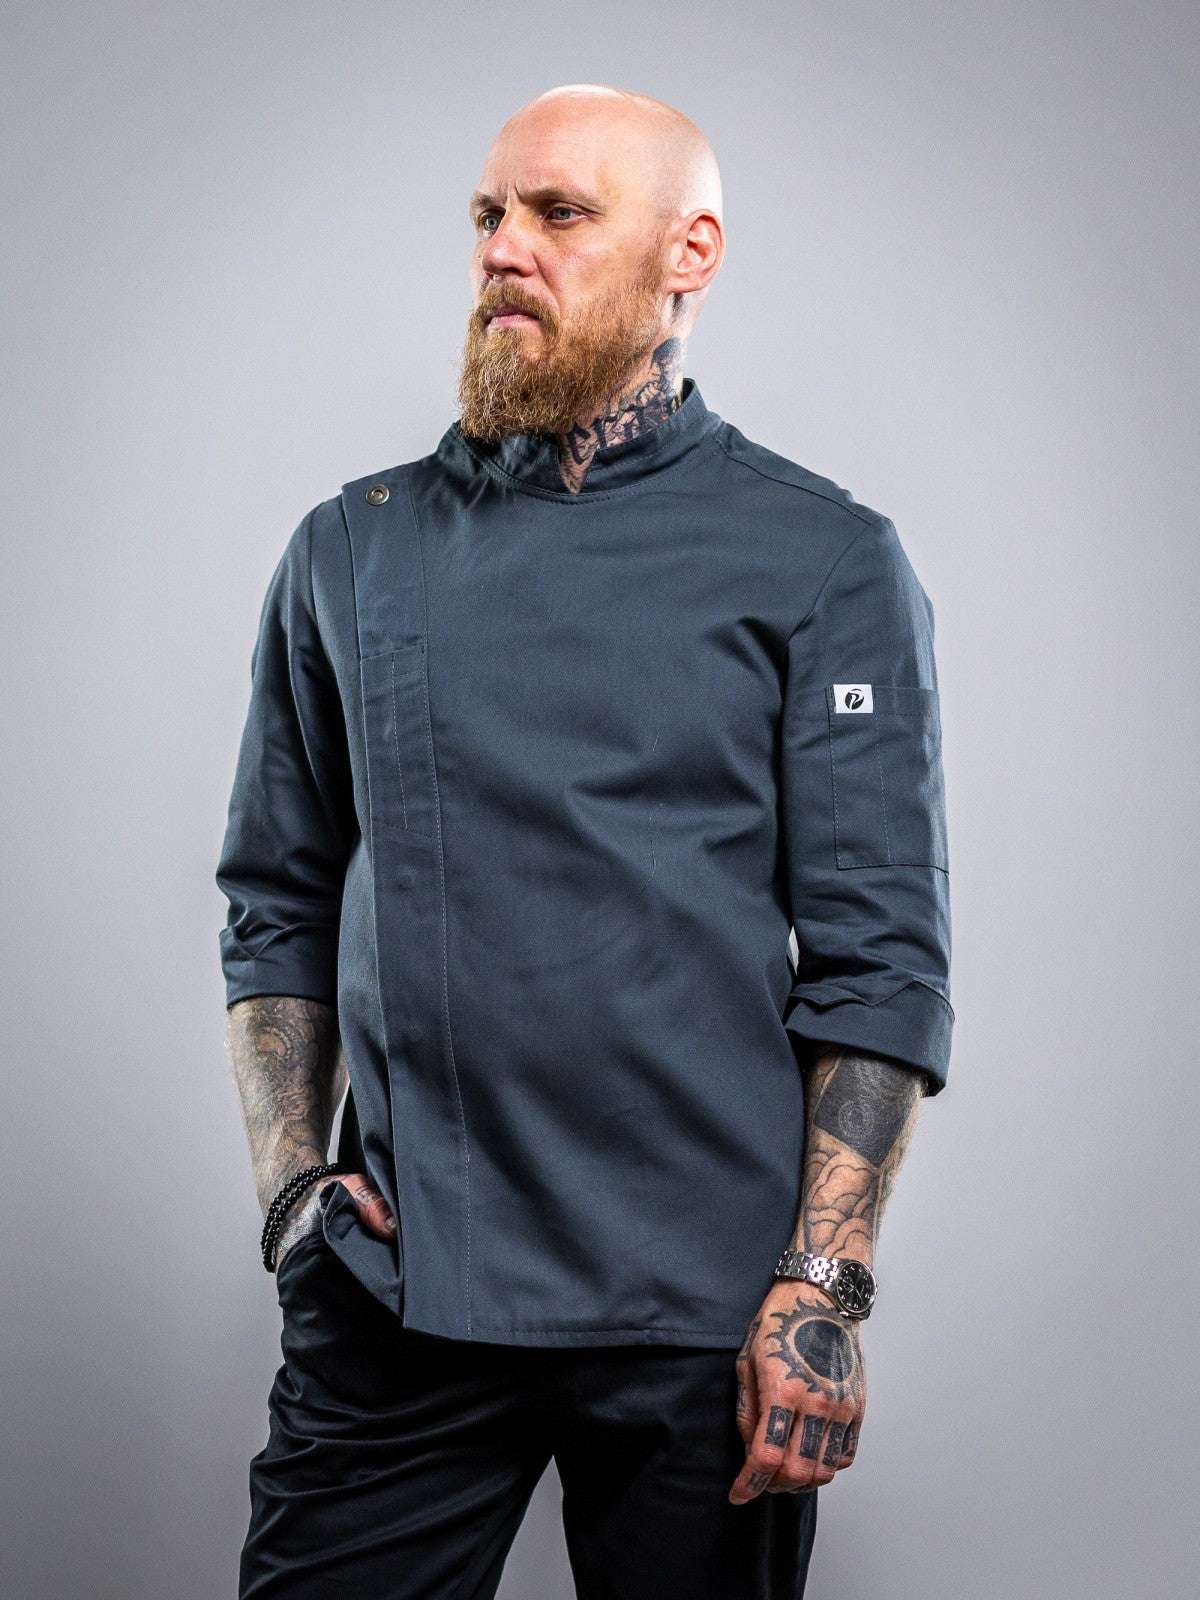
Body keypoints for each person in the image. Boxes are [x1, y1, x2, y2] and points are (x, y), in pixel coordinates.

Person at [216, 81, 953, 1600]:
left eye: (559, 213)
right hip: (400, 1292)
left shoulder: (823, 558)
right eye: (489, 214)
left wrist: (821, 1290)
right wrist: (295, 1190)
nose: (504, 248)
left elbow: (881, 965)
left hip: (705, 1322)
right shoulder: (352, 546)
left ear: (691, 252)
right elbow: (276, 900)